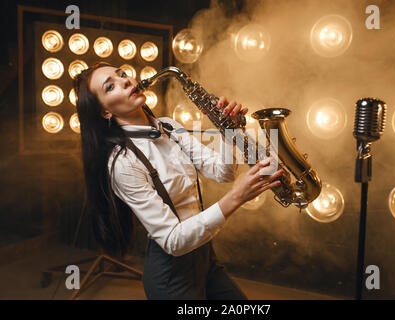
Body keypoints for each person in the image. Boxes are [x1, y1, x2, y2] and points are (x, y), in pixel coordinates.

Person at [74, 62, 283, 300]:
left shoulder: (169, 126)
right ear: (105, 112)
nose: (125, 81)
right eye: (110, 86)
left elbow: (221, 172)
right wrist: (237, 197)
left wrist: (228, 130)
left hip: (204, 256)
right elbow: (173, 240)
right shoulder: (122, 163)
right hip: (170, 277)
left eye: (122, 74)